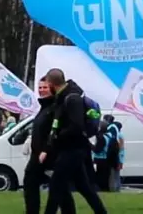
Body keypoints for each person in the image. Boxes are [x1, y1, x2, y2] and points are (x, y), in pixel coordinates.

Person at [39, 68, 108, 214]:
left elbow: (76, 126)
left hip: (72, 150)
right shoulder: (64, 97)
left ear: (52, 83)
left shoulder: (71, 98)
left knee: (55, 187)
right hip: (72, 149)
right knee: (84, 188)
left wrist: (58, 136)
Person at [23, 78, 57, 214]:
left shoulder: (53, 108)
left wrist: (46, 150)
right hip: (36, 154)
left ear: (52, 88)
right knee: (30, 182)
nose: (42, 90)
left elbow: (53, 132)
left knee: (59, 189)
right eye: (40, 87)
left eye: (45, 87)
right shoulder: (43, 108)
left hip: (46, 154)